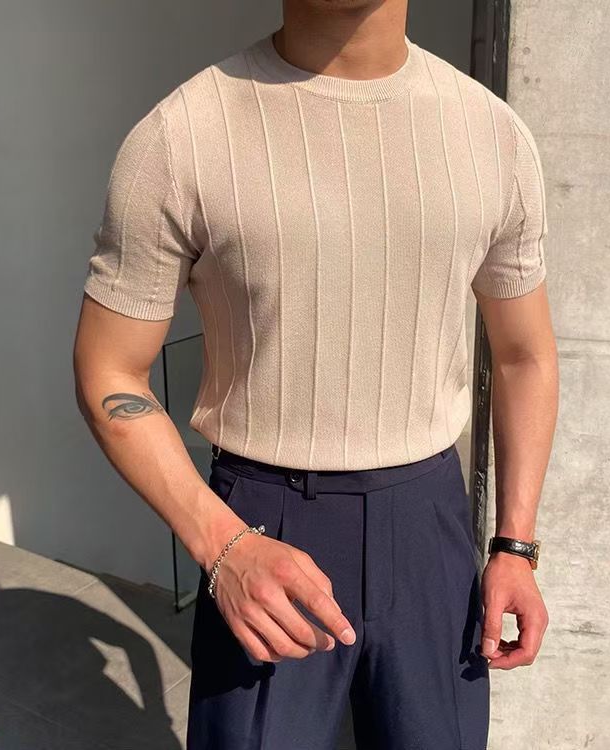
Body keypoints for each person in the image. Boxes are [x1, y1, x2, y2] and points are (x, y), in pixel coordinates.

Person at [73, 1, 557, 748]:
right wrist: (222, 544)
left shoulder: (491, 135)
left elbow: (524, 355)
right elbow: (110, 368)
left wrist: (514, 545)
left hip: (429, 521)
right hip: (261, 519)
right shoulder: (182, 136)